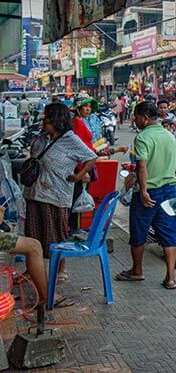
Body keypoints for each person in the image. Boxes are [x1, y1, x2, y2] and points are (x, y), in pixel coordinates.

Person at [27, 103, 97, 304]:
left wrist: (79, 176)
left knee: (55, 237)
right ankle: (35, 272)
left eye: (47, 118)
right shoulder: (41, 138)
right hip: (34, 194)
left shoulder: (70, 140)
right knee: (34, 237)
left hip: (56, 197)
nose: (43, 121)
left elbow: (91, 157)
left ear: (55, 120)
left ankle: (57, 274)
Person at [115, 101, 176, 290]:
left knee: (139, 232)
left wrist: (142, 190)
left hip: (149, 191)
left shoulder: (142, 137)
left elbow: (143, 166)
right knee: (169, 233)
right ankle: (171, 277)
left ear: (144, 117)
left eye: (135, 116)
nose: (134, 120)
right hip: (169, 189)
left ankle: (137, 270)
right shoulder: (169, 136)